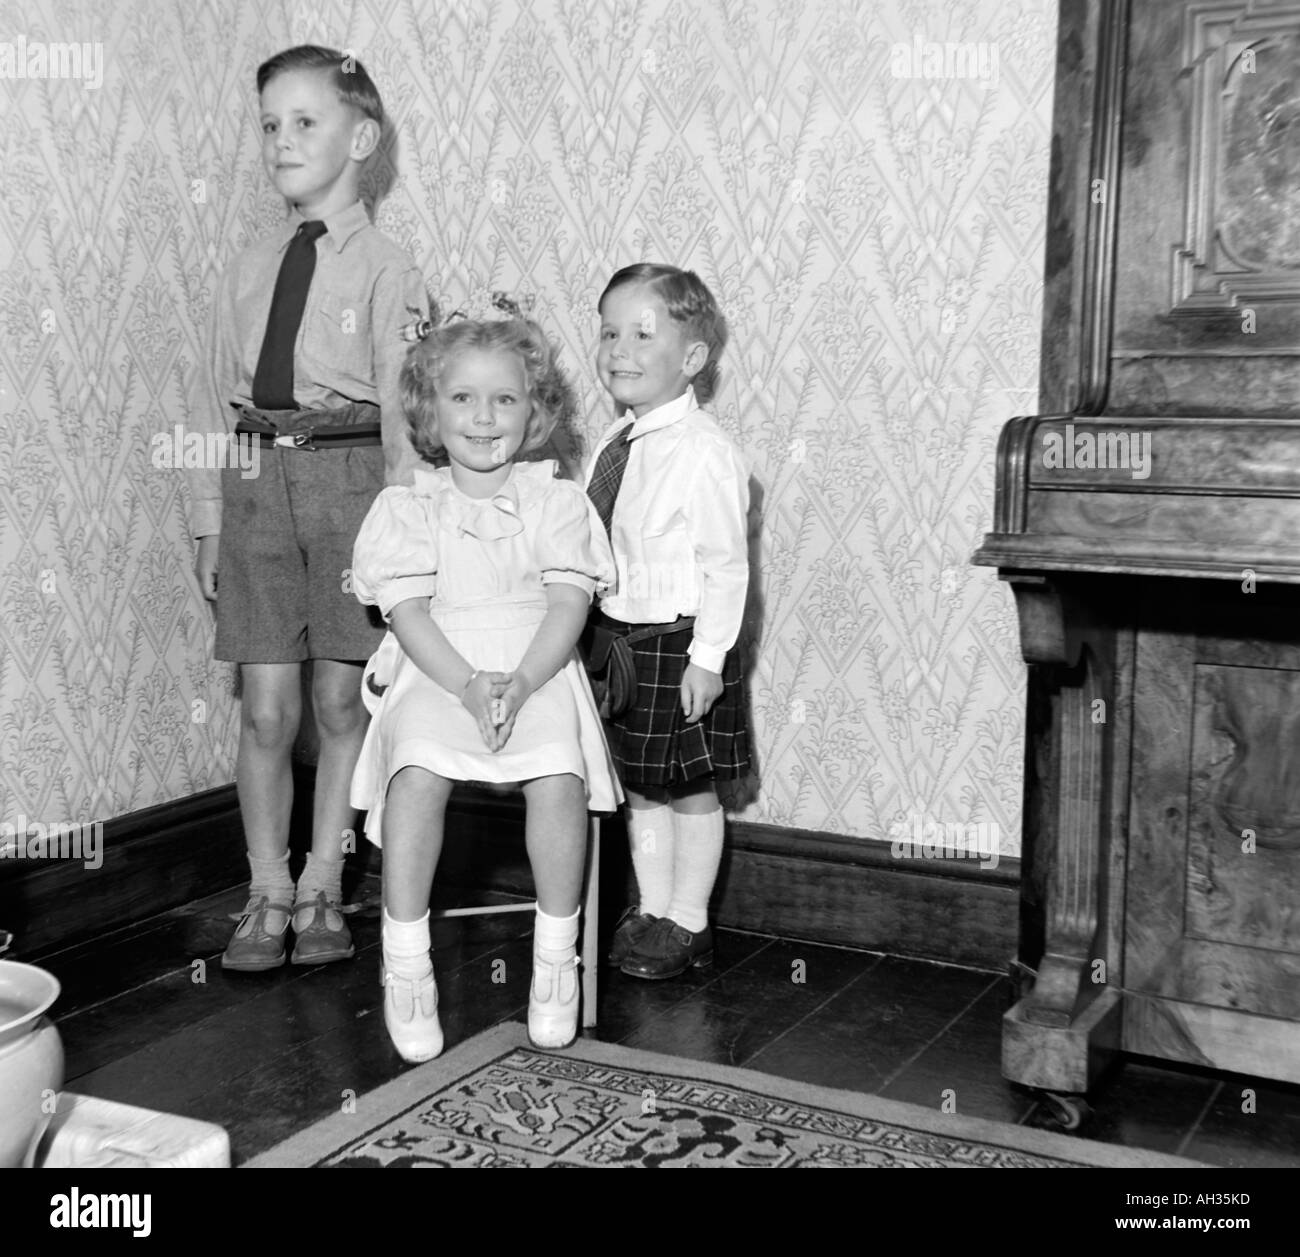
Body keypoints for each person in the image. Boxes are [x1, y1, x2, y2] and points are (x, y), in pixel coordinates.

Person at [188, 45, 427, 971]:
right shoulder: (248, 265)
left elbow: (406, 416)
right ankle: (266, 889)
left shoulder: (388, 267)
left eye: (305, 122)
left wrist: (400, 536)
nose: (282, 141)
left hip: (351, 489)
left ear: (360, 138)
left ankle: (326, 881)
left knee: (338, 698)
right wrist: (210, 519)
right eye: (269, 125)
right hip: (256, 486)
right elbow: (211, 395)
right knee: (263, 707)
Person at [350, 310, 620, 1060]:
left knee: (559, 775)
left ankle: (554, 958)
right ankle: (406, 962)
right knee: (416, 773)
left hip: (536, 662)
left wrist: (525, 680)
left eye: (505, 399)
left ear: (535, 411)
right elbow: (406, 614)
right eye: (463, 398)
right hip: (441, 665)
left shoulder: (555, 501)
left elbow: (567, 604)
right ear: (430, 410)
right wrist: (470, 686)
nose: (483, 416)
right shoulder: (410, 506)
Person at [586, 263, 751, 980]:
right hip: (622, 642)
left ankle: (689, 919)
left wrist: (709, 657)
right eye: (609, 331)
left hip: (681, 646)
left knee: (689, 785)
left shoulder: (705, 452)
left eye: (642, 334)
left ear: (691, 359)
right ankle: (651, 907)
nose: (620, 348)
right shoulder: (612, 444)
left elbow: (727, 566)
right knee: (640, 784)